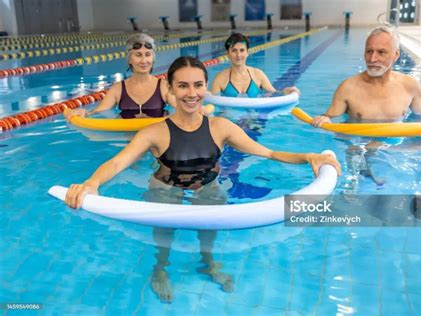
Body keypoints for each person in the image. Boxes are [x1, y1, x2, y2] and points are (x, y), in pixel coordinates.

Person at [64, 56, 341, 303]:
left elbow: (268, 152)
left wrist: (309, 156)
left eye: (198, 85)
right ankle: (160, 266)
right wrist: (91, 183)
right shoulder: (154, 132)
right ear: (171, 90)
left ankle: (208, 261)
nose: (191, 93)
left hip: (207, 185)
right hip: (165, 187)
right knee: (164, 212)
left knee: (214, 200)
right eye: (183, 86)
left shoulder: (221, 127)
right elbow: (118, 162)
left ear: (206, 89)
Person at [312, 24, 421, 128]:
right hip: (358, 144)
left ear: (396, 55)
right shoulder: (348, 88)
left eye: (381, 52)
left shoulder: (409, 85)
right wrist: (324, 118)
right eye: (369, 51)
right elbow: (330, 117)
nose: (372, 59)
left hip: (393, 145)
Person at [64, 33, 176, 121]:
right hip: (126, 137)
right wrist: (83, 113)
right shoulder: (118, 88)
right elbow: (99, 111)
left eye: (148, 55)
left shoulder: (163, 86)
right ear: (129, 59)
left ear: (153, 58)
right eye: (138, 55)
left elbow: (180, 110)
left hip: (156, 136)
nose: (143, 61)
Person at [211, 33, 300, 97]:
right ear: (228, 54)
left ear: (247, 53)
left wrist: (286, 91)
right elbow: (212, 101)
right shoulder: (220, 78)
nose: (238, 55)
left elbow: (274, 93)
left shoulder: (258, 74)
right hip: (229, 119)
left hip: (254, 119)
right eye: (234, 50)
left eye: (242, 50)